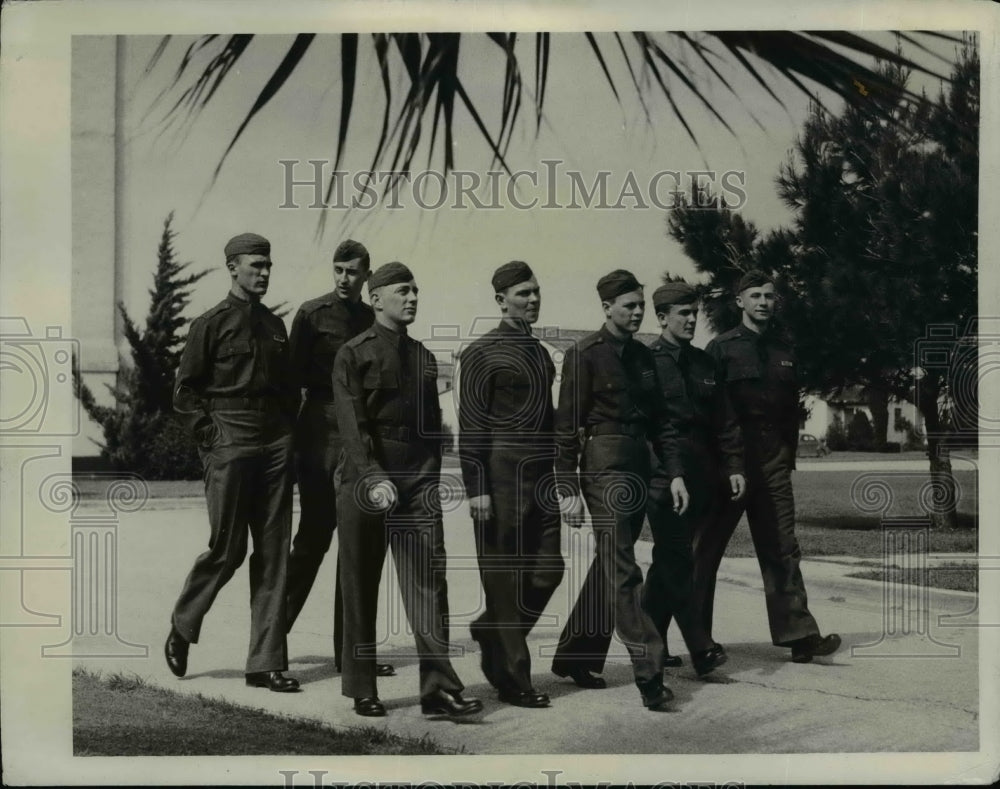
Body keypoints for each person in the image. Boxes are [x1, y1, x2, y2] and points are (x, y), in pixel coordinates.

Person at [332, 262, 482, 719]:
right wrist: (374, 477)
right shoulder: (352, 354)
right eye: (402, 291)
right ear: (376, 299)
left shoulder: (424, 357)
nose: (413, 297)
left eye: (416, 290)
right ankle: (361, 687)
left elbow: (432, 429)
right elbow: (353, 427)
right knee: (361, 581)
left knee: (429, 584)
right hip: (365, 477)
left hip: (417, 479)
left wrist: (429, 478)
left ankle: (438, 689)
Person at [164, 232, 300, 692]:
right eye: (255, 264)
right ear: (233, 267)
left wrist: (287, 435)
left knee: (274, 552)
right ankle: (184, 623)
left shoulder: (276, 327)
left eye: (268, 265)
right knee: (228, 549)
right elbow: (184, 391)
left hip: (275, 437)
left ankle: (265, 662)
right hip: (230, 433)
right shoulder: (211, 323)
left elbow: (289, 388)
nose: (263, 272)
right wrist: (211, 437)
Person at [699, 270, 841, 663]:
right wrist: (722, 467)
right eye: (755, 295)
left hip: (773, 462)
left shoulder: (784, 350)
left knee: (782, 547)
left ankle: (799, 635)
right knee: (706, 551)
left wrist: (785, 456)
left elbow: (789, 411)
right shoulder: (721, 348)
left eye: (770, 296)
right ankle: (699, 641)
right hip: (731, 465)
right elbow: (710, 413)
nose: (763, 302)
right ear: (739, 302)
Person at [550, 269, 674, 711]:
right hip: (604, 465)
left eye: (641, 305)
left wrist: (673, 472)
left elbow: (661, 423)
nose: (638, 312)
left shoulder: (643, 357)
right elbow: (566, 427)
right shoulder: (584, 354)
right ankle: (649, 670)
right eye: (629, 306)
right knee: (624, 566)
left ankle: (576, 656)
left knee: (610, 559)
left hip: (640, 461)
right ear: (606, 308)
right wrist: (567, 486)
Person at [458, 261, 564, 709]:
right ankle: (515, 678)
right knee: (503, 582)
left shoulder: (540, 353)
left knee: (549, 570)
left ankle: (489, 630)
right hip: (499, 480)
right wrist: (477, 486)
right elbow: (471, 425)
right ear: (501, 300)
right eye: (523, 293)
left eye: (537, 292)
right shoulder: (481, 352)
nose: (533, 300)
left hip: (541, 479)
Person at [285, 239, 393, 678]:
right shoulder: (312, 315)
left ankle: (351, 655)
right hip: (320, 427)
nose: (344, 278)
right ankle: (270, 647)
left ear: (368, 275)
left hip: (360, 432)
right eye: (338, 270)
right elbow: (290, 382)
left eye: (352, 271)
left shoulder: (374, 319)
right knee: (312, 540)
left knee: (357, 544)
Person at [642, 281, 744, 677]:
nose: (690, 320)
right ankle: (698, 646)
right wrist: (668, 473)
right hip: (664, 474)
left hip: (704, 474)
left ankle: (655, 641)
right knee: (677, 559)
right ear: (662, 317)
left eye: (693, 313)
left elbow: (725, 421)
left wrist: (734, 466)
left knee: (673, 560)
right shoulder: (647, 361)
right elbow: (650, 426)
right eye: (682, 313)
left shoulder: (705, 364)